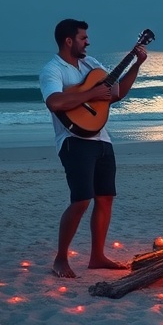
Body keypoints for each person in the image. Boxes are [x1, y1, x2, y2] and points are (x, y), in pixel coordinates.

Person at [39, 18, 148, 278]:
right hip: (72, 139)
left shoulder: (91, 64)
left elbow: (117, 92)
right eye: (83, 37)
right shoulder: (52, 70)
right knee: (80, 200)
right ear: (68, 41)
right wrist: (90, 95)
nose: (88, 41)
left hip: (102, 138)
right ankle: (60, 258)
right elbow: (54, 102)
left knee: (105, 197)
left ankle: (97, 256)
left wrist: (137, 64)